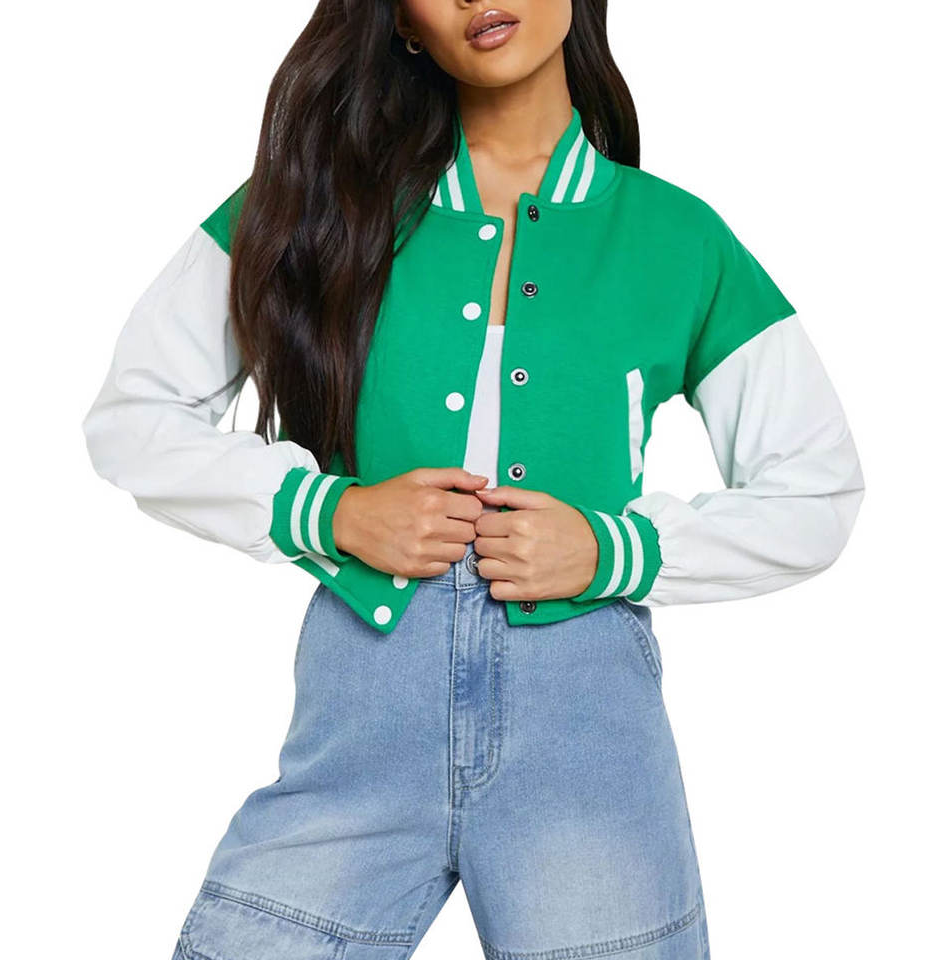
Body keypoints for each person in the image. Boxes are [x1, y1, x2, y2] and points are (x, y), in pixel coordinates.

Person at [81, 2, 865, 958]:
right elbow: (137, 412)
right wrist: (327, 511)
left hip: (587, 744)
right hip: (360, 722)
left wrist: (613, 550)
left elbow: (816, 487)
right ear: (405, 25)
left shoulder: (678, 238)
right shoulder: (313, 205)